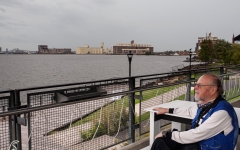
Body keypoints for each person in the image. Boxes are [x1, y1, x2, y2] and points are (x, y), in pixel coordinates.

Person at [151, 74, 239, 150]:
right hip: (200, 144)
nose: (195, 87)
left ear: (213, 89)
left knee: (162, 142)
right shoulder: (206, 105)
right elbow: (190, 111)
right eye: (196, 84)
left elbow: (196, 134)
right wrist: (167, 110)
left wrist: (166, 134)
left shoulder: (222, 112)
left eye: (200, 85)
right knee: (161, 142)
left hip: (205, 147)